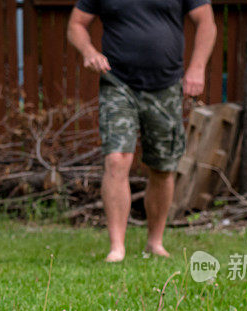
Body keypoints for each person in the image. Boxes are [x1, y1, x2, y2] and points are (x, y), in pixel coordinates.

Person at [67, 0, 216, 262]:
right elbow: (76, 24)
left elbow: (206, 22)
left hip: (166, 85)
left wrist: (197, 67)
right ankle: (117, 247)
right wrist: (88, 51)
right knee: (117, 158)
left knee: (162, 166)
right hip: (117, 82)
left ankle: (154, 242)